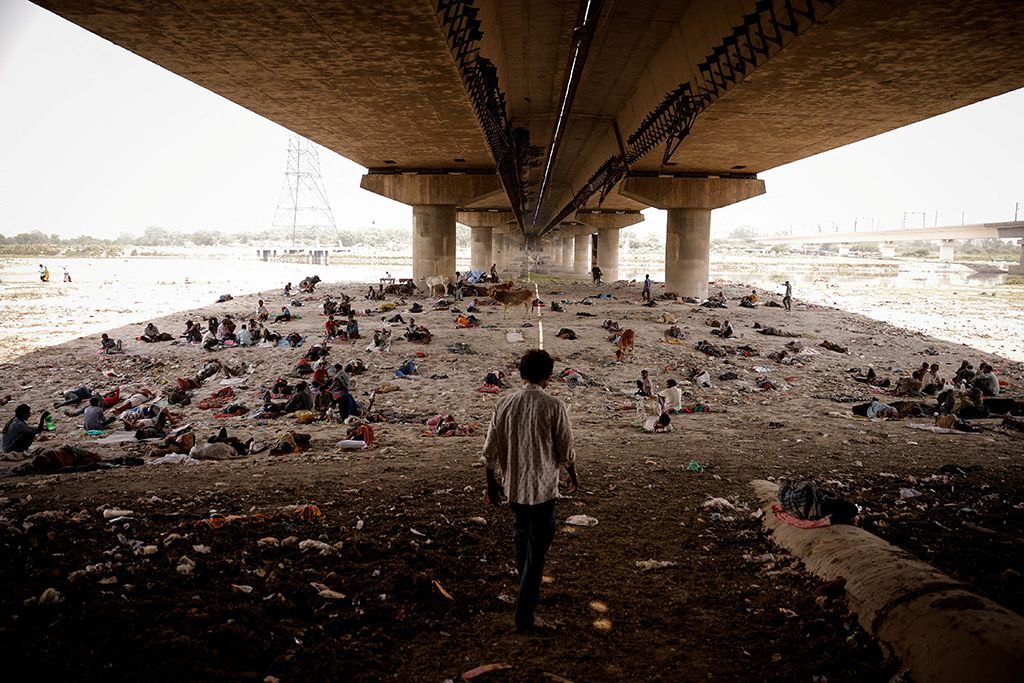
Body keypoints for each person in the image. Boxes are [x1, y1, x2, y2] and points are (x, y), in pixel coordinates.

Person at [481, 349, 578, 632]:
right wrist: (572, 474)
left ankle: (526, 590)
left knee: (523, 540)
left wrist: (491, 482)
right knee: (538, 548)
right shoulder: (553, 405)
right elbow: (565, 449)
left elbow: (490, 449)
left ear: (522, 374)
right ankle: (525, 614)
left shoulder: (505, 403)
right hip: (543, 489)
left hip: (513, 488)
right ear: (548, 376)